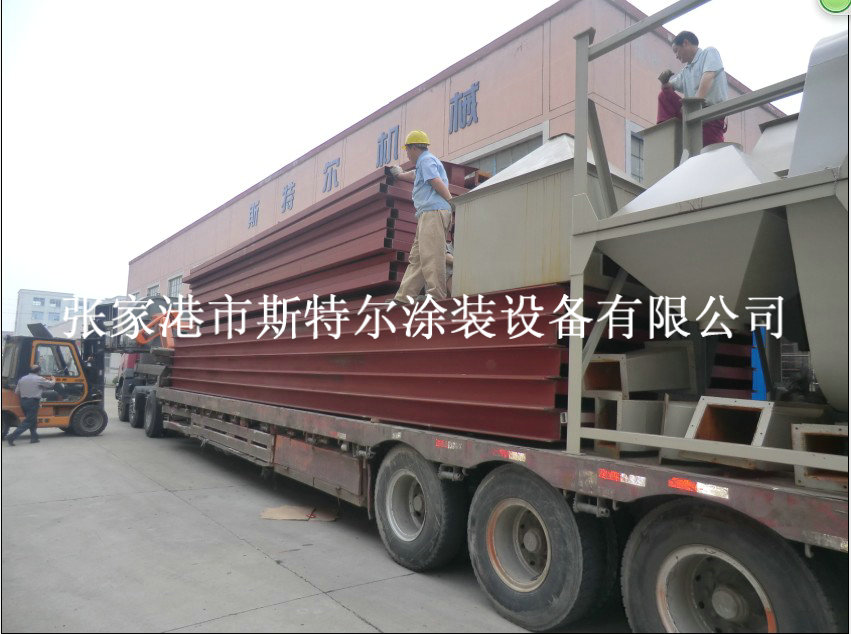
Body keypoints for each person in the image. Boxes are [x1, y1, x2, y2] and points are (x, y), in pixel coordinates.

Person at [388, 130, 454, 303]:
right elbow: (414, 175)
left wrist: (452, 201)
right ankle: (404, 297)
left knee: (432, 255)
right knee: (417, 257)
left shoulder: (426, 160)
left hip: (433, 212)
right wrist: (399, 174)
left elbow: (434, 180)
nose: (407, 155)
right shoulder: (424, 163)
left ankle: (436, 295)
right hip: (427, 214)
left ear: (414, 148)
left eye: (407, 150)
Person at [657, 31, 728, 147]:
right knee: (664, 95)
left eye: (676, 50)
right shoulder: (686, 71)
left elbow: (708, 76)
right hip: (692, 115)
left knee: (710, 149)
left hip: (711, 114)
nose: (676, 56)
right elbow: (670, 87)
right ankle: (666, 132)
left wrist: (695, 104)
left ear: (685, 43)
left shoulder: (709, 52)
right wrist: (665, 82)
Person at [8, 364, 55, 446]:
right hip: (32, 402)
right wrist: (53, 379)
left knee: (32, 420)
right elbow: (50, 384)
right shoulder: (39, 379)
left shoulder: (22, 379)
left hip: (23, 401)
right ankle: (12, 436)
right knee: (29, 421)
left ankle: (34, 438)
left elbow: (17, 392)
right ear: (38, 371)